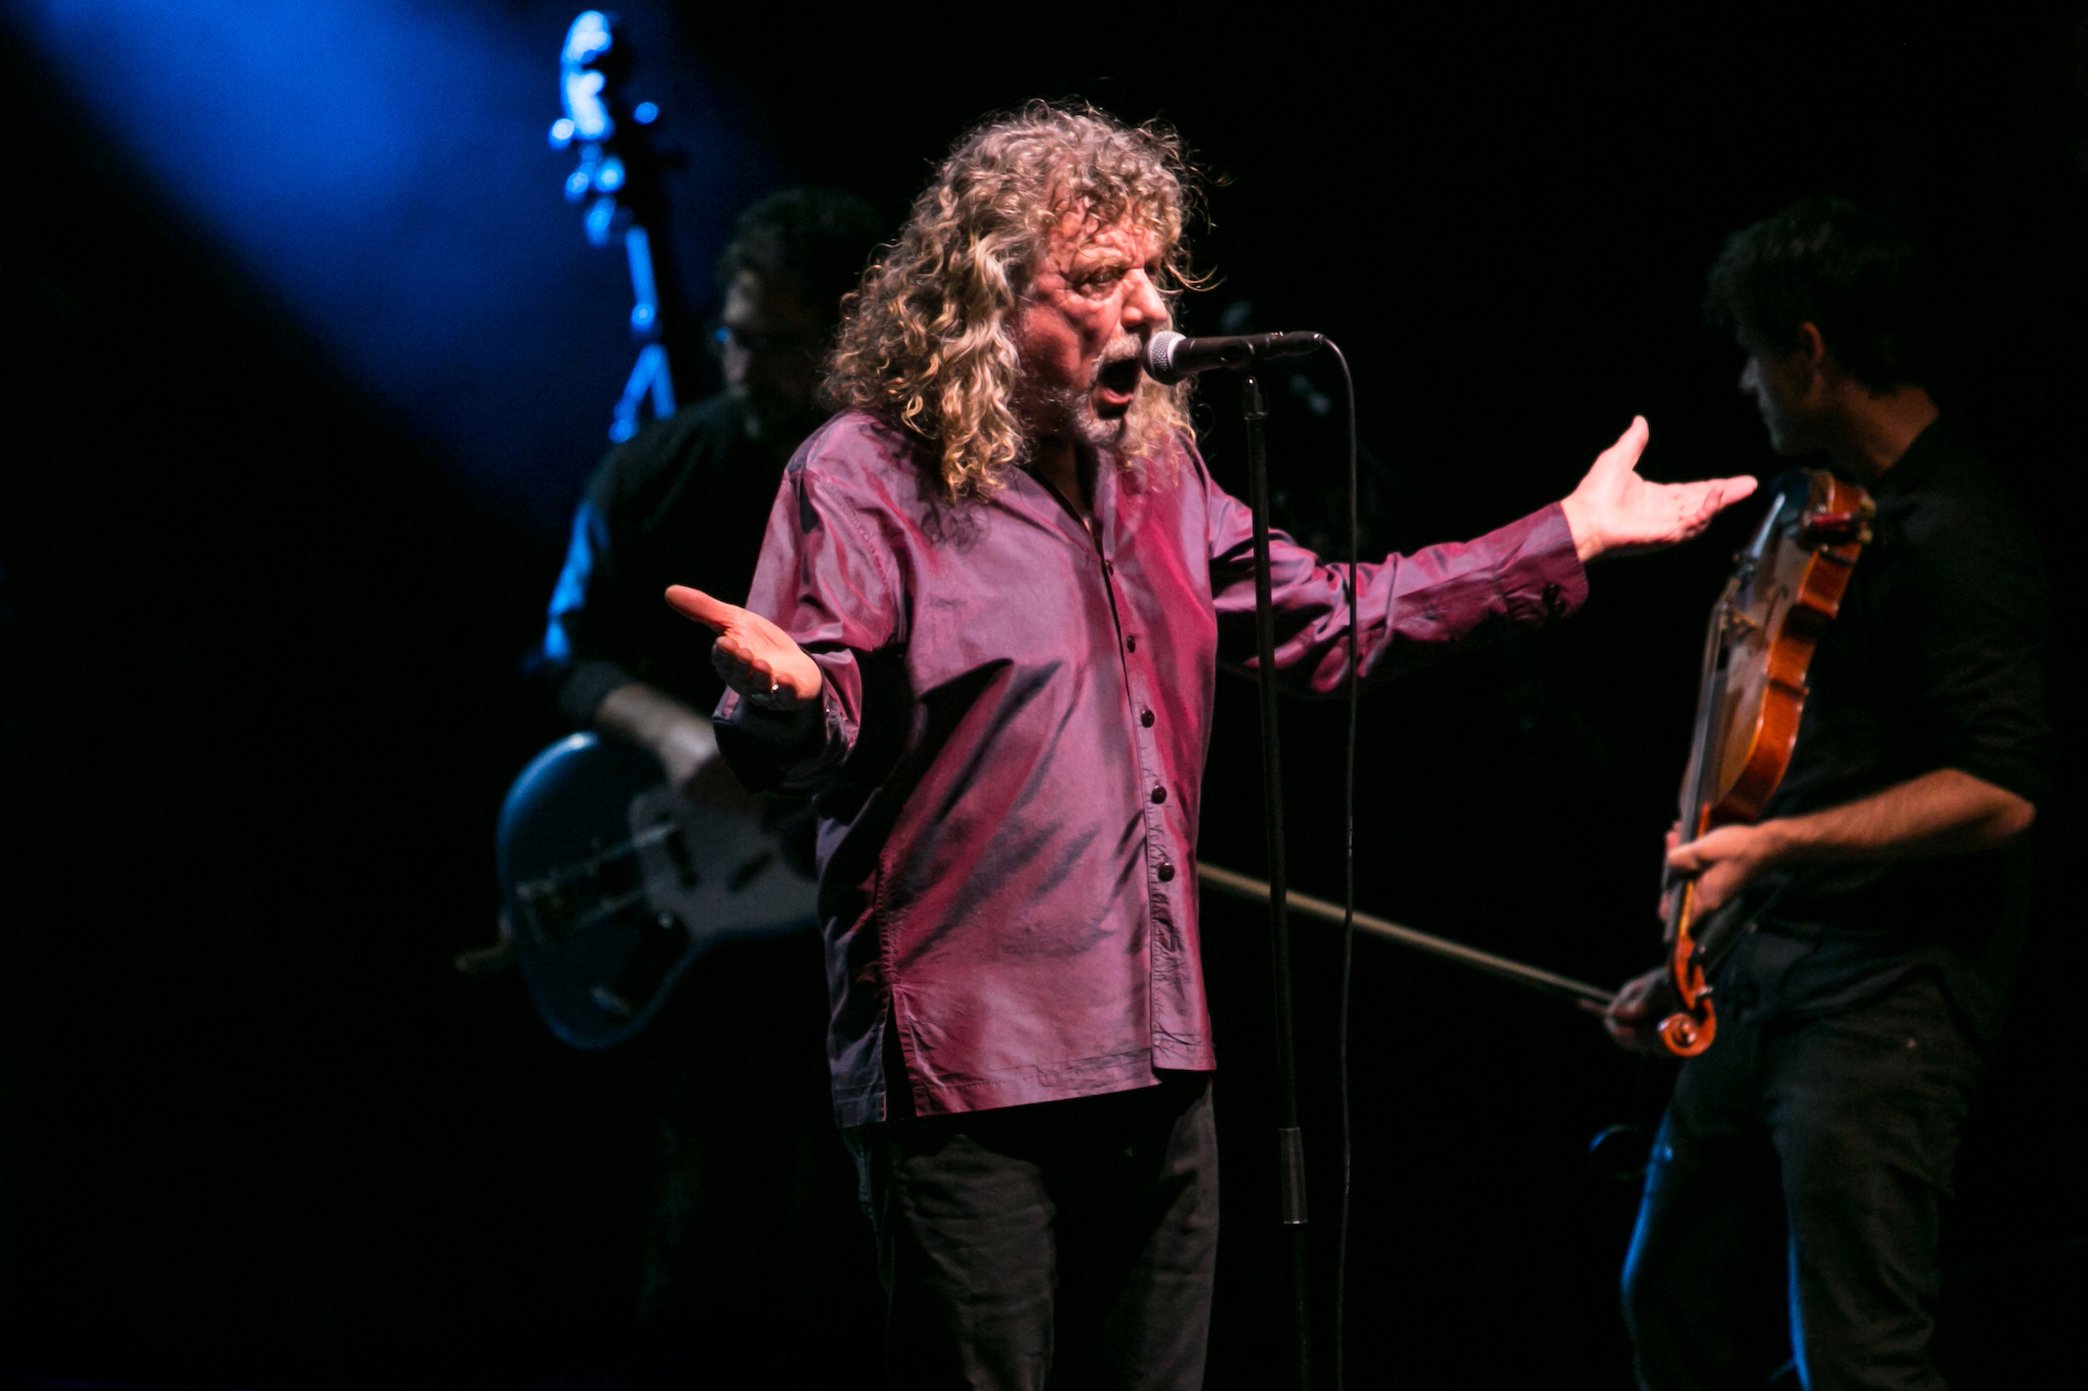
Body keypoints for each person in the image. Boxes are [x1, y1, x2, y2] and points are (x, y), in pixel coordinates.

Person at [669, 102, 1754, 1388]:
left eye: (1151, 271)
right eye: (1094, 278)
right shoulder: (866, 474)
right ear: (985, 298)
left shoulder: (1160, 480)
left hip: (1158, 1046)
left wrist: (1564, 536)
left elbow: (1338, 618)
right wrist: (789, 700)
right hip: (971, 1073)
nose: (1142, 307)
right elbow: (811, 719)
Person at [1605, 198, 2051, 1390]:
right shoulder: (1828, 515)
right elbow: (1801, 759)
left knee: (1857, 1351)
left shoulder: (1961, 534)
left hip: (1884, 998)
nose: (1747, 385)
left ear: (1809, 350)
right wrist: (1701, 945)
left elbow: (2003, 789)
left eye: (1756, 355)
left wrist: (1776, 843)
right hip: (1768, 968)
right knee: (1672, 1298)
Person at [527, 186, 888, 1373]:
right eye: (735, 332)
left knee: (846, 1232)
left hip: (860, 912)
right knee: (698, 1215)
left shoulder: (897, 485)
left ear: (849, 333)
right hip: (714, 915)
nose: (742, 365)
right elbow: (564, 656)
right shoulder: (661, 472)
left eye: (777, 343)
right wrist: (686, 741)